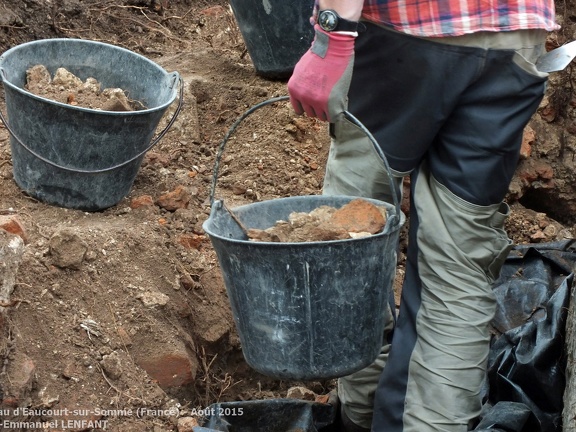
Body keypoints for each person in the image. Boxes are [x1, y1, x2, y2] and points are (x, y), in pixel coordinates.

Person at [287, 0, 559, 430]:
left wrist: (331, 35)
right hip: (515, 39)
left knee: (352, 235)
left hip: (407, 32)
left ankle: (360, 416)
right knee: (460, 262)